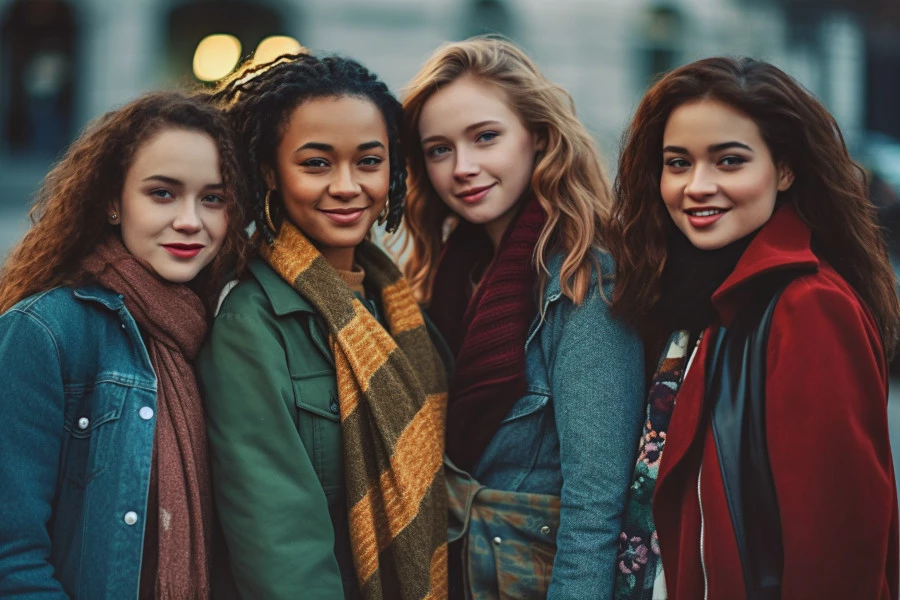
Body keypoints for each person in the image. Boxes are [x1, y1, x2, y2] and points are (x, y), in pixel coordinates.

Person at [608, 56, 900, 600]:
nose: (697, 185)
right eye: (678, 163)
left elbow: (838, 550)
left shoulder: (809, 306)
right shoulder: (684, 297)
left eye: (729, 161)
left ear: (784, 170)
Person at [401, 37, 645, 599]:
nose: (463, 167)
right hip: (454, 571)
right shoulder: (442, 274)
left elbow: (596, 506)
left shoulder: (585, 279)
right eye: (439, 149)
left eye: (486, 137)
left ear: (538, 135)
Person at [199, 53, 450, 600]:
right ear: (270, 171)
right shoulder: (250, 322)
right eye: (316, 163)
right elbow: (281, 546)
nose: (346, 186)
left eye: (368, 161)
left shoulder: (396, 302)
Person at [0, 91, 247, 598]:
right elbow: (12, 554)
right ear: (113, 201)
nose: (189, 220)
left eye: (213, 198)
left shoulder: (214, 336)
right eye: (162, 193)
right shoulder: (46, 331)